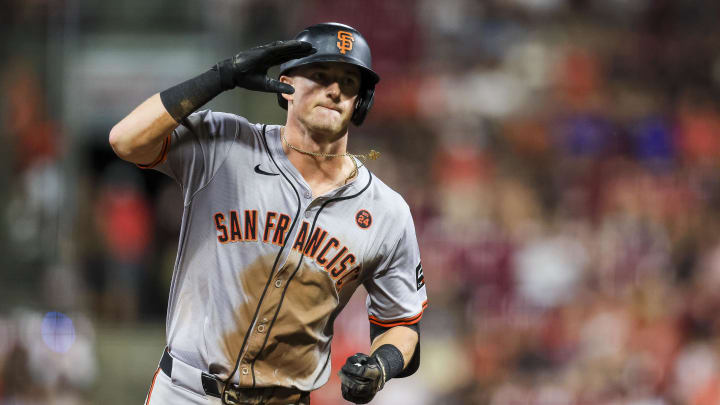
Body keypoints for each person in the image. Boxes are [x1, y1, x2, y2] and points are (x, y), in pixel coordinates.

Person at [109, 22, 427, 405]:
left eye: (348, 81)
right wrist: (220, 77)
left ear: (362, 101)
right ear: (285, 84)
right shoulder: (226, 144)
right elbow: (125, 140)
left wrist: (381, 366)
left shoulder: (386, 212)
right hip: (186, 392)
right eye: (320, 74)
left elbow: (402, 326)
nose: (334, 90)